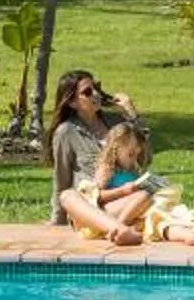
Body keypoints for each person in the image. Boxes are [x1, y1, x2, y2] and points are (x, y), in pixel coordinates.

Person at [45, 68, 144, 230]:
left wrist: (132, 115)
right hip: (94, 206)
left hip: (127, 199)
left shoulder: (116, 123)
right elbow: (61, 179)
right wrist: (58, 220)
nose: (96, 95)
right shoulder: (66, 132)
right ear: (72, 102)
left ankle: (121, 228)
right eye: (88, 92)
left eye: (96, 88)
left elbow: (145, 156)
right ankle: (119, 229)